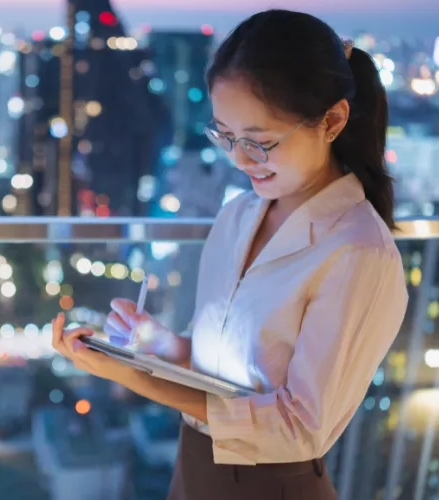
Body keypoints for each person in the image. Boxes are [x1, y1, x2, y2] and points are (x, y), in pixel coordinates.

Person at [51, 9, 409, 500]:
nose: (239, 160)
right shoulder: (238, 215)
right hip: (196, 467)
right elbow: (225, 378)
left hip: (273, 485)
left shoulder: (359, 252)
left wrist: (137, 378)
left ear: (332, 120)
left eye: (259, 142)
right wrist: (161, 345)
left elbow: (299, 428)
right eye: (226, 135)